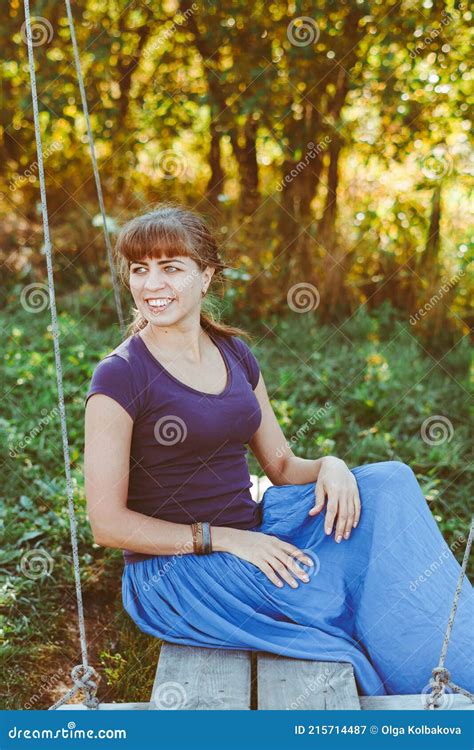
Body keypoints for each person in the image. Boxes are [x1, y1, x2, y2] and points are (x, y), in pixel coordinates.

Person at [84, 204, 473, 697]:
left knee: (389, 483)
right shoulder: (120, 375)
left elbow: (283, 465)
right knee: (334, 591)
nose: (152, 284)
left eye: (171, 268)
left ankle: (452, 655)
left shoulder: (235, 354)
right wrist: (223, 539)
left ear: (205, 277)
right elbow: (107, 524)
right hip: (179, 570)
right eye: (140, 269)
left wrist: (331, 465)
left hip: (249, 534)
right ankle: (435, 685)